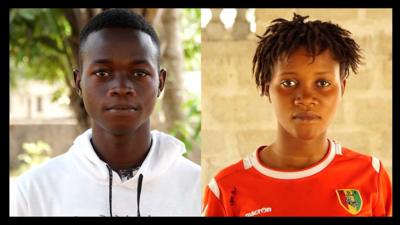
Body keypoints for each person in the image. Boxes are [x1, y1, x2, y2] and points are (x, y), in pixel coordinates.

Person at [11, 8, 200, 216]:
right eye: (102, 73)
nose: (120, 87)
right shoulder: (34, 193)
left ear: (160, 83)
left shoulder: (199, 189)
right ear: (79, 83)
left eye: (139, 73)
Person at [202, 13, 392, 217]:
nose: (306, 98)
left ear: (342, 88)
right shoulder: (226, 188)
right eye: (289, 83)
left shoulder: (370, 174)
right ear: (267, 88)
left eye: (323, 83)